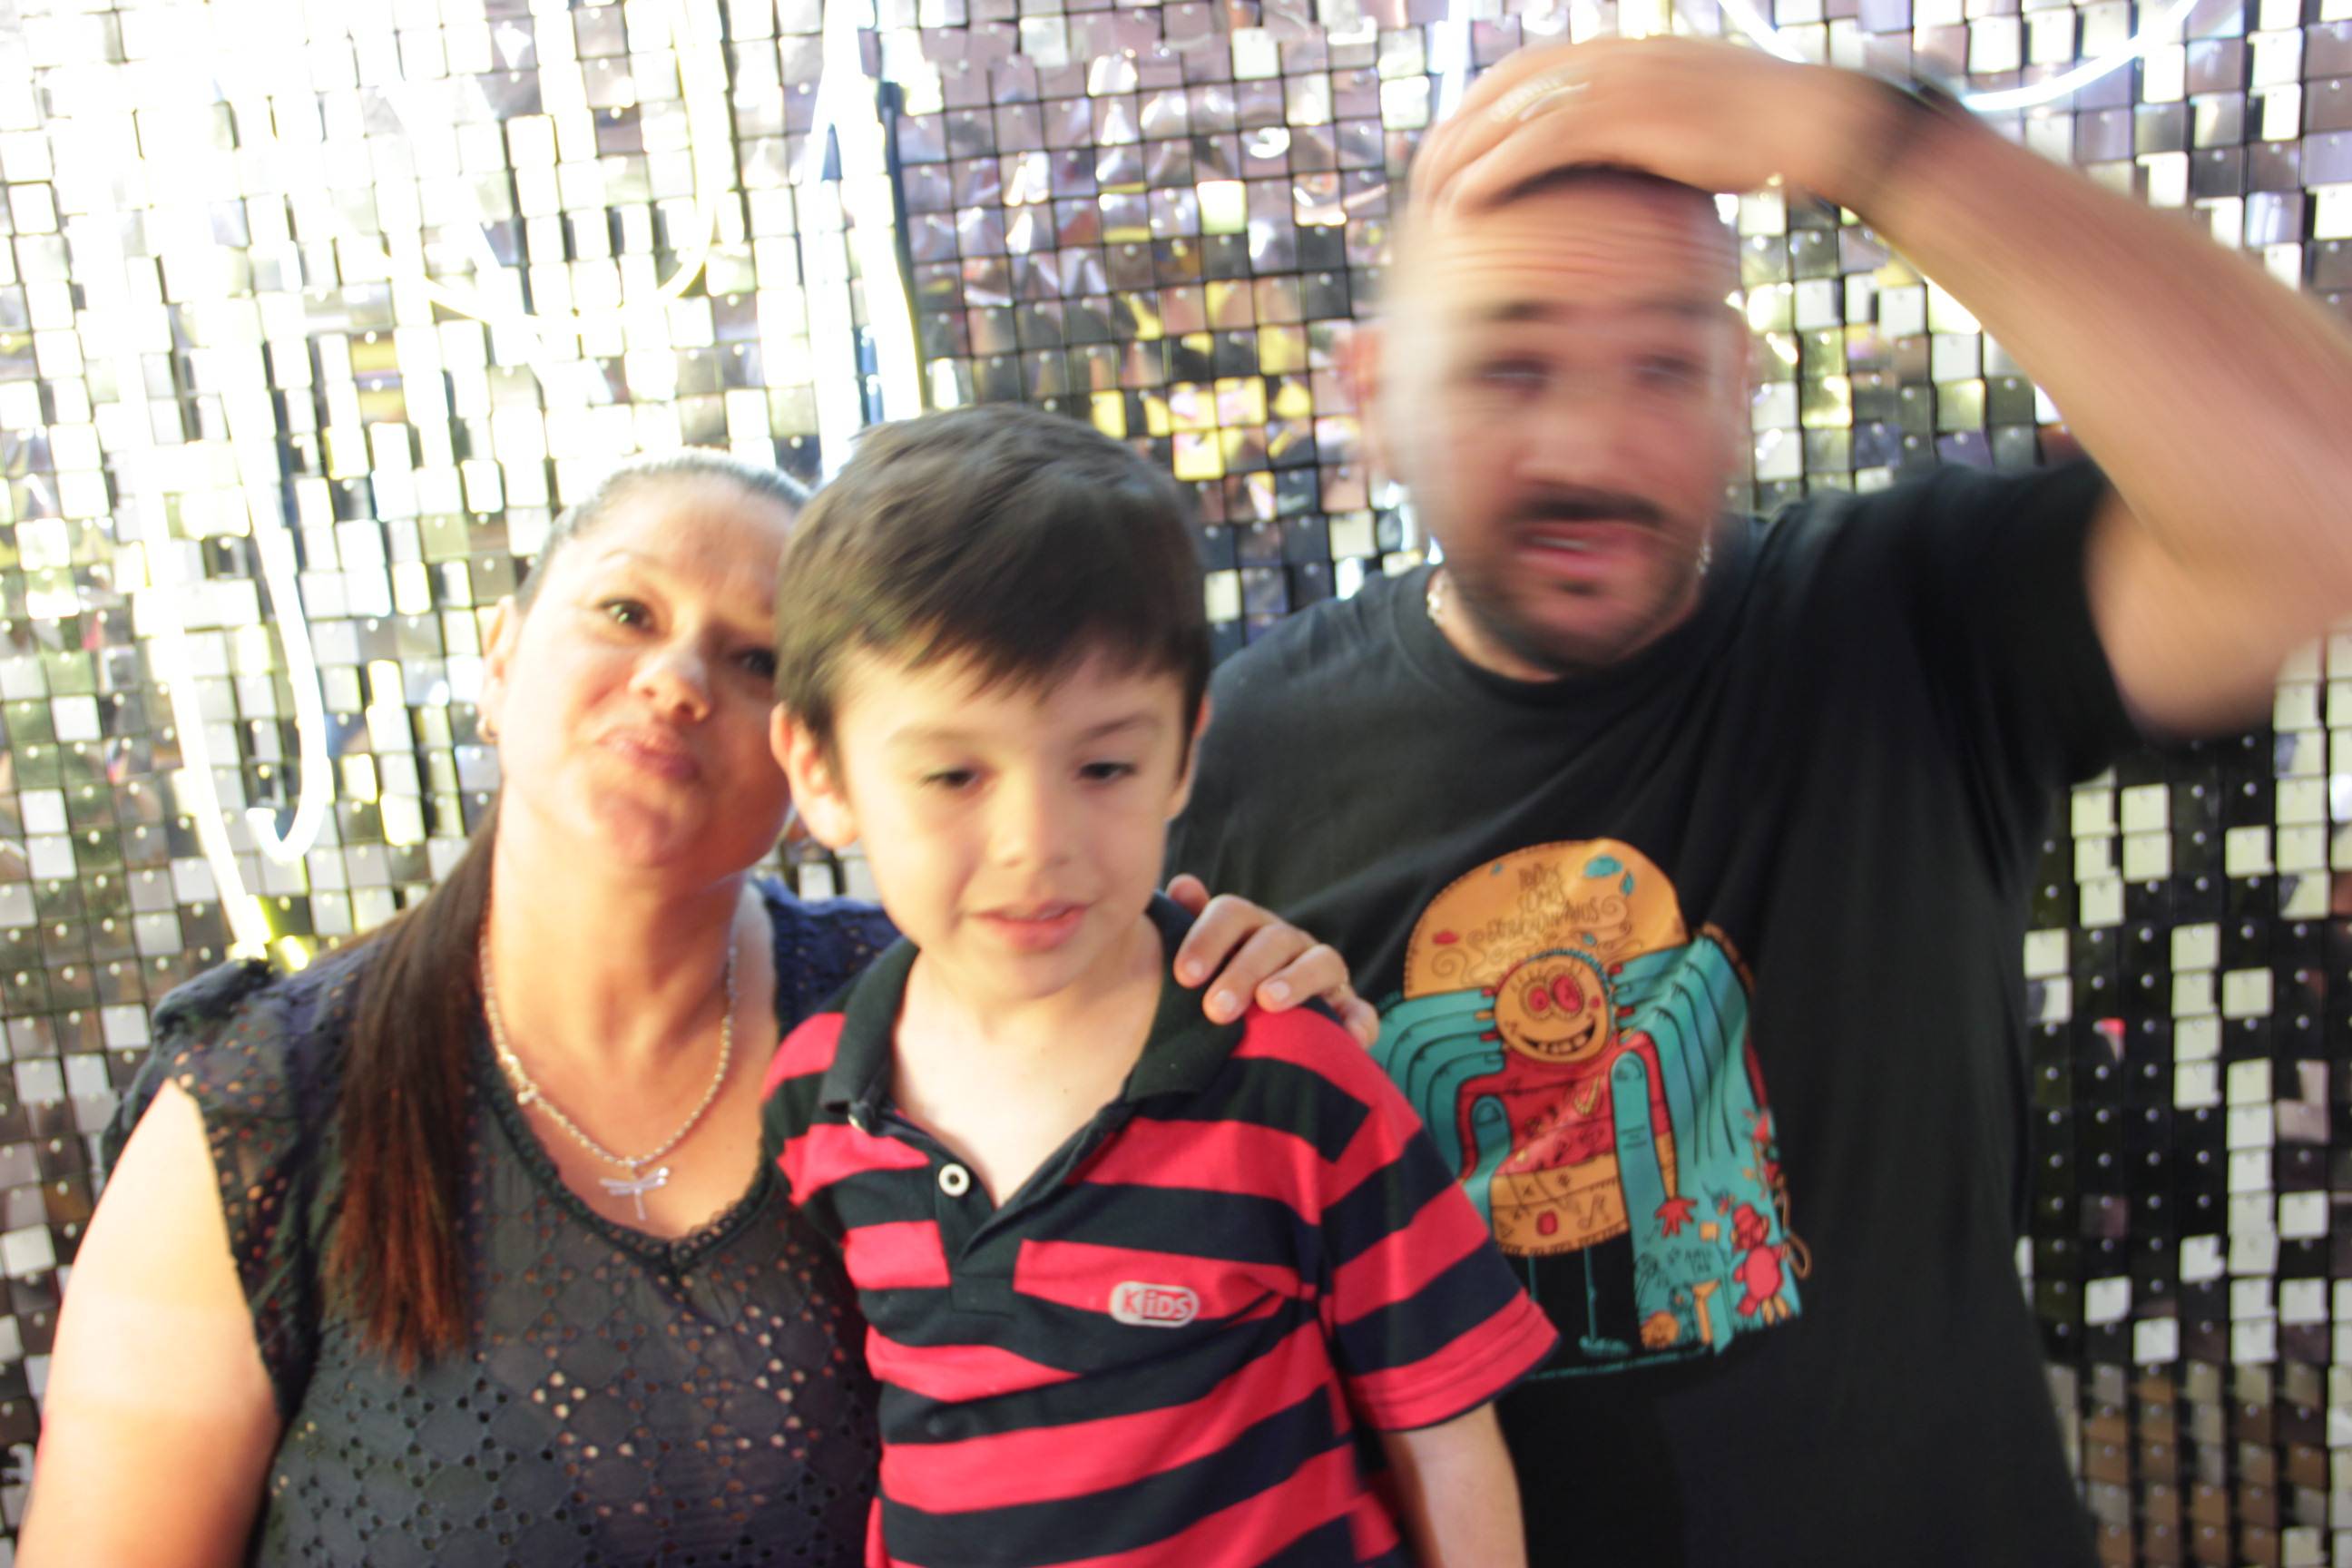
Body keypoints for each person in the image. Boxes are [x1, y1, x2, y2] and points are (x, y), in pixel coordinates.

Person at [1168, 35, 2352, 1568]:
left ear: (1739, 388)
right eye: (1510, 366)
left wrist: (1863, 140)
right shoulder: (1237, 754)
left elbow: (2320, 506)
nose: (1589, 445)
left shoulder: (1905, 621)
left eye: (1663, 365)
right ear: (1378, 398)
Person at [24, 449, 1379, 1568]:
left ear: (814, 766)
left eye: (755, 659)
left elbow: (1231, 1396)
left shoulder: (942, 1018)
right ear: (499, 658)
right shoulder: (263, 1113)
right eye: (626, 612)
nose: (676, 681)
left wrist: (1255, 1007)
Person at [762, 405, 1558, 1567]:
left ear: (1185, 751)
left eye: (1102, 766)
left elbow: (1445, 1438)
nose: (1036, 843)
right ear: (821, 773)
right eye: (953, 775)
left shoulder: (1295, 1077)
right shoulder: (811, 1103)